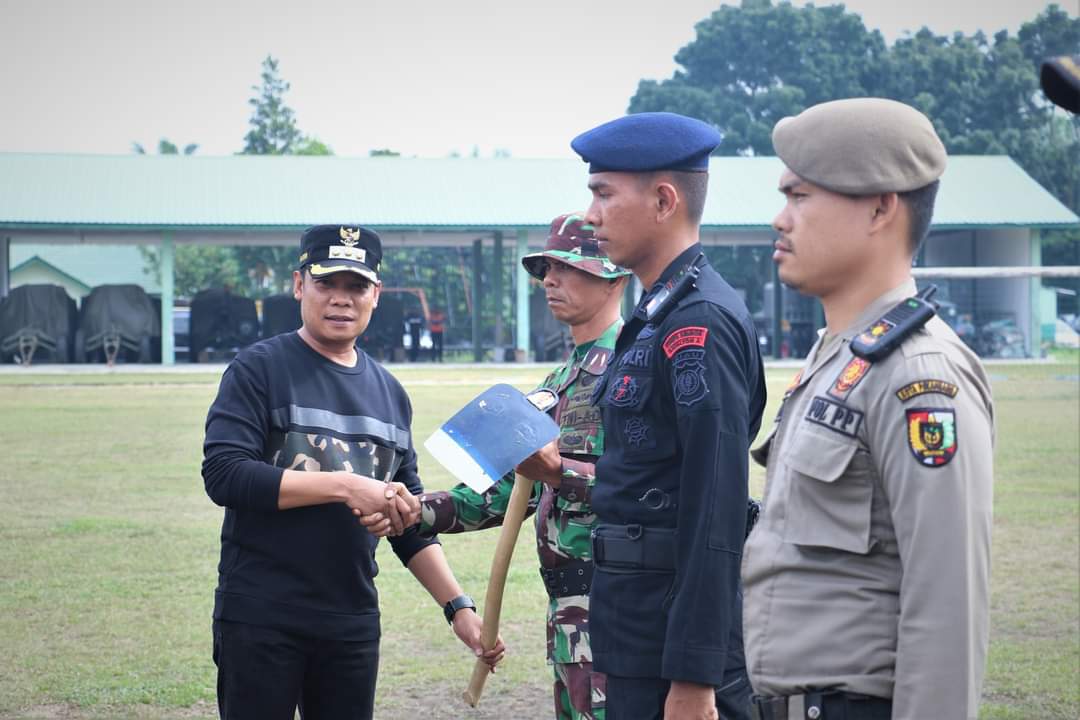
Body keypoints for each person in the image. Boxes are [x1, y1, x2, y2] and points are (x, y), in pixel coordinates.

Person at [741, 98, 996, 720]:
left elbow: (947, 601)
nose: (781, 218)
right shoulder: (841, 358)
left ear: (881, 206)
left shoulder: (918, 375)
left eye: (800, 196)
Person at [202, 224, 503, 720]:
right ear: (299, 285)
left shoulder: (389, 393)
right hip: (262, 615)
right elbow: (226, 475)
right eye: (326, 284)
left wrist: (459, 609)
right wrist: (346, 486)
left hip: (350, 620)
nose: (341, 300)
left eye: (356, 287)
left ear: (376, 295)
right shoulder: (258, 369)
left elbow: (408, 525)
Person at [363, 213, 631, 718]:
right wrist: (415, 511)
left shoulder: (634, 368)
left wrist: (559, 473)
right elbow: (503, 492)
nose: (550, 280)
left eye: (568, 268)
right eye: (546, 269)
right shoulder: (559, 380)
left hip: (620, 608)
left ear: (614, 276)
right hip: (569, 619)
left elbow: (653, 489)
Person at [571, 112, 767, 720]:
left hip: (672, 654)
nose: (590, 214)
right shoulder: (657, 313)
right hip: (638, 632)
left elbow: (716, 504)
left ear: (663, 200)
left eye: (604, 193)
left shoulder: (696, 322)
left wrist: (695, 674)